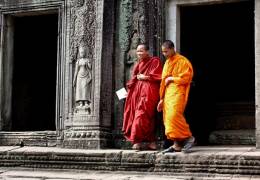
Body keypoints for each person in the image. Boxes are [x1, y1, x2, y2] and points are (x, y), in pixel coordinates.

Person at [122, 44, 163, 150]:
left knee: (146, 116)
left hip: (149, 92)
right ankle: (138, 141)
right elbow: (134, 78)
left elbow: (159, 75)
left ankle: (149, 140)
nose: (139, 53)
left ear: (147, 52)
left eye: (141, 51)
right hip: (138, 93)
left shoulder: (155, 61)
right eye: (138, 51)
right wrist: (129, 88)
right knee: (140, 115)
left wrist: (146, 77)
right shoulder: (138, 64)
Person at [157, 40, 195, 153]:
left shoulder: (182, 61)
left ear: (173, 48)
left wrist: (172, 78)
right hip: (168, 94)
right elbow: (163, 83)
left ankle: (188, 137)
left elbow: (187, 78)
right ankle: (176, 144)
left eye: (166, 51)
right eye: (163, 52)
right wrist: (162, 99)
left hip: (178, 91)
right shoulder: (167, 63)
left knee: (174, 115)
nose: (164, 54)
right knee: (168, 119)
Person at [73, 45, 92, 109]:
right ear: (79, 53)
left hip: (86, 76)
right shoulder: (78, 61)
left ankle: (86, 102)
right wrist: (74, 80)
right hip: (79, 77)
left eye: (83, 52)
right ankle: (81, 102)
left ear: (85, 53)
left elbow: (90, 68)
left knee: (85, 89)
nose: (82, 54)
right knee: (79, 89)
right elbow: (76, 71)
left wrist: (89, 63)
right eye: (81, 53)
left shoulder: (87, 60)